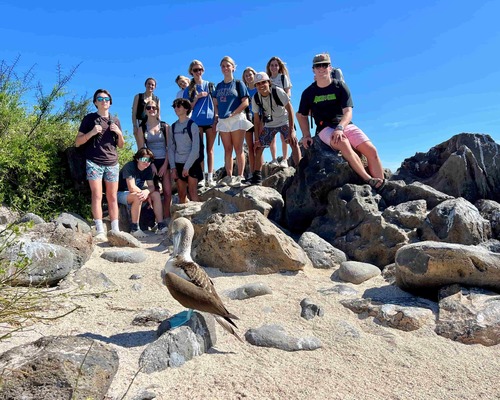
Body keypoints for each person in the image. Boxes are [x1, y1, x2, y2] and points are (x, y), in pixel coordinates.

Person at [296, 53, 386, 190]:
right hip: (324, 129)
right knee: (343, 143)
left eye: (324, 65)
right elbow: (301, 115)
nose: (321, 69)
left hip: (344, 125)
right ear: (313, 69)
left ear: (330, 68)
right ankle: (369, 180)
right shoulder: (308, 93)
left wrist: (340, 127)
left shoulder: (340, 87)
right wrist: (306, 135)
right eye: (318, 66)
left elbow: (348, 112)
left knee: (371, 150)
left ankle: (383, 185)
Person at [75, 89, 125, 242]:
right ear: (95, 102)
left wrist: (119, 133)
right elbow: (77, 142)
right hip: (94, 161)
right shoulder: (89, 119)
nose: (104, 101)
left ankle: (115, 230)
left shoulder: (115, 120)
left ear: (110, 102)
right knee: (96, 195)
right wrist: (91, 133)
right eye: (100, 98)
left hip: (112, 162)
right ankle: (100, 230)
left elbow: (121, 145)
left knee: (112, 197)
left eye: (106, 98)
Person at [248, 72, 301, 185]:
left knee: (293, 142)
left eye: (263, 82)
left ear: (269, 82)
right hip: (270, 124)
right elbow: (256, 120)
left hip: (284, 120)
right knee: (258, 147)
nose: (261, 85)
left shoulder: (278, 91)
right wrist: (257, 139)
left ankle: (300, 170)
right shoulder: (255, 98)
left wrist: (291, 130)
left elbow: (290, 109)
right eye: (258, 84)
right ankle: (256, 176)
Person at [212, 56, 253, 188]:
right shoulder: (218, 86)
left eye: (228, 65)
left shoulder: (238, 83)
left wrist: (234, 112)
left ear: (233, 67)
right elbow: (215, 103)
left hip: (236, 118)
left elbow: (245, 102)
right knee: (227, 149)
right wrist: (217, 114)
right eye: (223, 66)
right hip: (223, 120)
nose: (225, 68)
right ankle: (229, 176)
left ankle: (240, 176)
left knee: (238, 148)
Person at [117, 148, 168, 237]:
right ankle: (135, 228)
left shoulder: (147, 169)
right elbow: (131, 187)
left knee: (155, 194)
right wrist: (145, 194)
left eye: (150, 160)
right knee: (138, 196)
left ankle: (160, 225)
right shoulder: (129, 166)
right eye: (144, 159)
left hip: (137, 192)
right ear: (137, 159)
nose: (147, 162)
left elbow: (151, 186)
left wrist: (147, 192)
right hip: (122, 193)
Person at [136, 99, 172, 223]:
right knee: (154, 192)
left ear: (157, 110)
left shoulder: (165, 126)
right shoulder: (142, 128)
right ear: (145, 110)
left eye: (154, 108)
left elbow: (170, 147)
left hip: (164, 161)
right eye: (149, 108)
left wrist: (165, 165)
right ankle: (158, 220)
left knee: (167, 192)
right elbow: (142, 149)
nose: (151, 110)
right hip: (150, 163)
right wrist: (150, 165)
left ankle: (167, 218)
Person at [184, 60, 216, 188]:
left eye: (200, 70)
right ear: (191, 72)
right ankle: (202, 177)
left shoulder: (210, 85)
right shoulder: (189, 89)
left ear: (203, 70)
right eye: (195, 70)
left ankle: (211, 177)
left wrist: (216, 117)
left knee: (210, 150)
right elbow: (188, 108)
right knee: (199, 150)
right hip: (197, 121)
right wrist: (197, 97)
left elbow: (215, 102)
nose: (198, 72)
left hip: (210, 119)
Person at [167, 98, 202, 203]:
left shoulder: (192, 125)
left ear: (186, 108)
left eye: (178, 106)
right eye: (174, 106)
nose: (176, 108)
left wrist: (187, 167)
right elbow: (171, 148)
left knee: (192, 193)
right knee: (182, 195)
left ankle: (198, 218)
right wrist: (173, 168)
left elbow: (196, 149)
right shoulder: (172, 127)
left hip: (192, 163)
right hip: (178, 163)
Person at [266, 56, 292, 168]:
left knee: (284, 136)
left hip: (283, 110)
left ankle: (285, 159)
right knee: (271, 137)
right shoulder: (267, 79)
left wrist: (283, 101)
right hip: (270, 112)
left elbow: (288, 93)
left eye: (276, 65)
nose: (274, 67)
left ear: (279, 66)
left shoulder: (283, 78)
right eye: (272, 65)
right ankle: (274, 159)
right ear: (269, 67)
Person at [242, 67, 257, 176]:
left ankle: (258, 171)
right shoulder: (244, 91)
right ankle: (252, 172)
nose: (248, 77)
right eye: (246, 76)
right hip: (247, 119)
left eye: (250, 75)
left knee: (258, 146)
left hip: (258, 118)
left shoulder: (259, 88)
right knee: (250, 147)